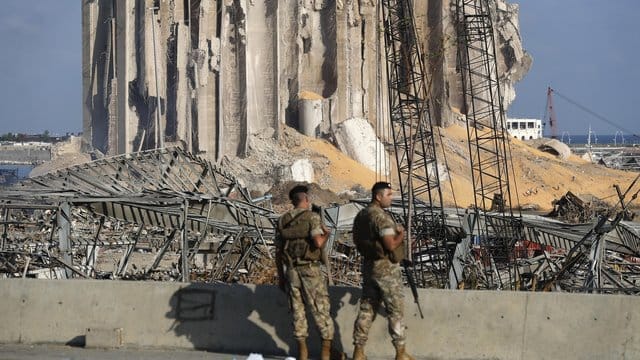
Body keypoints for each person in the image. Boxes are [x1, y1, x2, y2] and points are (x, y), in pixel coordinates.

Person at [351, 181, 414, 360]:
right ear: (378, 196)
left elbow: (357, 239)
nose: (391, 198)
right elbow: (391, 244)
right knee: (395, 311)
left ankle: (358, 351)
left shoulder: (362, 215)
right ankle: (400, 353)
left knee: (366, 309)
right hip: (386, 270)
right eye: (389, 195)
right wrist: (401, 233)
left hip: (370, 266)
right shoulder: (381, 217)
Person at [275, 184, 334, 360]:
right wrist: (327, 234)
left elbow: (278, 252)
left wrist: (281, 277)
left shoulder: (283, 220)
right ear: (306, 200)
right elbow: (318, 242)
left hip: (291, 272)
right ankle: (326, 353)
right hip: (310, 271)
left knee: (298, 312)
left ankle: (303, 352)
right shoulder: (312, 218)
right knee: (321, 311)